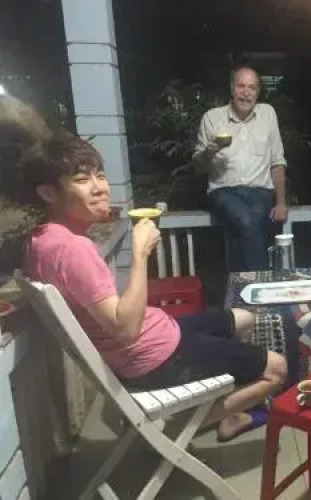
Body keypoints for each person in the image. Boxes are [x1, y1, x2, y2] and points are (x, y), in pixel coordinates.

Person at [2, 101, 287, 442]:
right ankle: (184, 427)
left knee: (244, 318)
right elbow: (126, 328)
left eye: (100, 175)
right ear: (48, 193)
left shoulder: (42, 240)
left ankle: (230, 396)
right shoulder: (73, 250)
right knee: (276, 368)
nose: (100, 187)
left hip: (156, 337)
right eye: (81, 179)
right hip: (154, 357)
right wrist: (140, 253)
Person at [193, 65, 287, 270]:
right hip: (223, 192)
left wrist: (281, 202)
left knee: (249, 224)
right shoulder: (212, 118)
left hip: (260, 191)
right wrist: (210, 151)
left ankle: (238, 283)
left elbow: (277, 161)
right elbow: (198, 168)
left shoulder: (268, 114)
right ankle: (261, 281)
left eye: (252, 87)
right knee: (245, 220)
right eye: (241, 86)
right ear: (231, 89)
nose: (246, 93)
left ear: (258, 92)